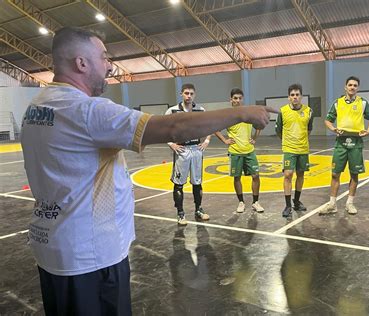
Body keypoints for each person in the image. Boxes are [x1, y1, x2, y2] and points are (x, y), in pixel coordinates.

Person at [20, 27, 274, 315]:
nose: (109, 65)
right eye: (103, 57)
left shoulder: (38, 106)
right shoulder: (86, 111)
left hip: (54, 247)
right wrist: (242, 112)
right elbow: (173, 127)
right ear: (81, 63)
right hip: (90, 257)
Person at [320, 76, 369, 215]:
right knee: (335, 174)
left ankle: (349, 203)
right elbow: (327, 120)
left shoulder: (363, 103)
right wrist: (333, 129)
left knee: (354, 175)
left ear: (358, 88)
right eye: (350, 85)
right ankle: (332, 204)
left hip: (356, 143)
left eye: (355, 85)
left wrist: (368, 130)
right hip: (341, 143)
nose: (352, 87)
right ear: (345, 87)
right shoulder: (338, 103)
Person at [166, 84, 211, 225]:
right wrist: (171, 144)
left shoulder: (201, 110)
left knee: (197, 182)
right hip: (182, 150)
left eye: (191, 93)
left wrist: (207, 140)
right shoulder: (172, 111)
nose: (189, 96)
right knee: (179, 184)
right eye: (186, 93)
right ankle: (180, 213)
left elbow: (210, 126)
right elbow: (162, 129)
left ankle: (198, 209)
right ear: (181, 94)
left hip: (196, 150)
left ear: (194, 95)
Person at [215, 88, 264, 213]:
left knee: (256, 176)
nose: (237, 100)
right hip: (235, 151)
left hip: (249, 151)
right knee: (237, 177)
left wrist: (255, 137)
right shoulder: (227, 115)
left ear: (242, 99)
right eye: (235, 98)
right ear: (231, 99)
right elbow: (215, 128)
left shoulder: (248, 113)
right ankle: (241, 202)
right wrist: (225, 140)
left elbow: (259, 124)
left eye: (239, 98)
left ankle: (255, 202)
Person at [275, 83, 313, 218]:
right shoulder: (283, 111)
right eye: (292, 95)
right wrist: (287, 142)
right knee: (288, 175)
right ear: (288, 97)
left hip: (303, 149)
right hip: (289, 149)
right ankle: (287, 205)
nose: (295, 97)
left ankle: (296, 201)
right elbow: (278, 131)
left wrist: (301, 140)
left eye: (297, 95)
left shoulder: (308, 111)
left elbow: (309, 129)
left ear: (301, 96)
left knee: (301, 175)